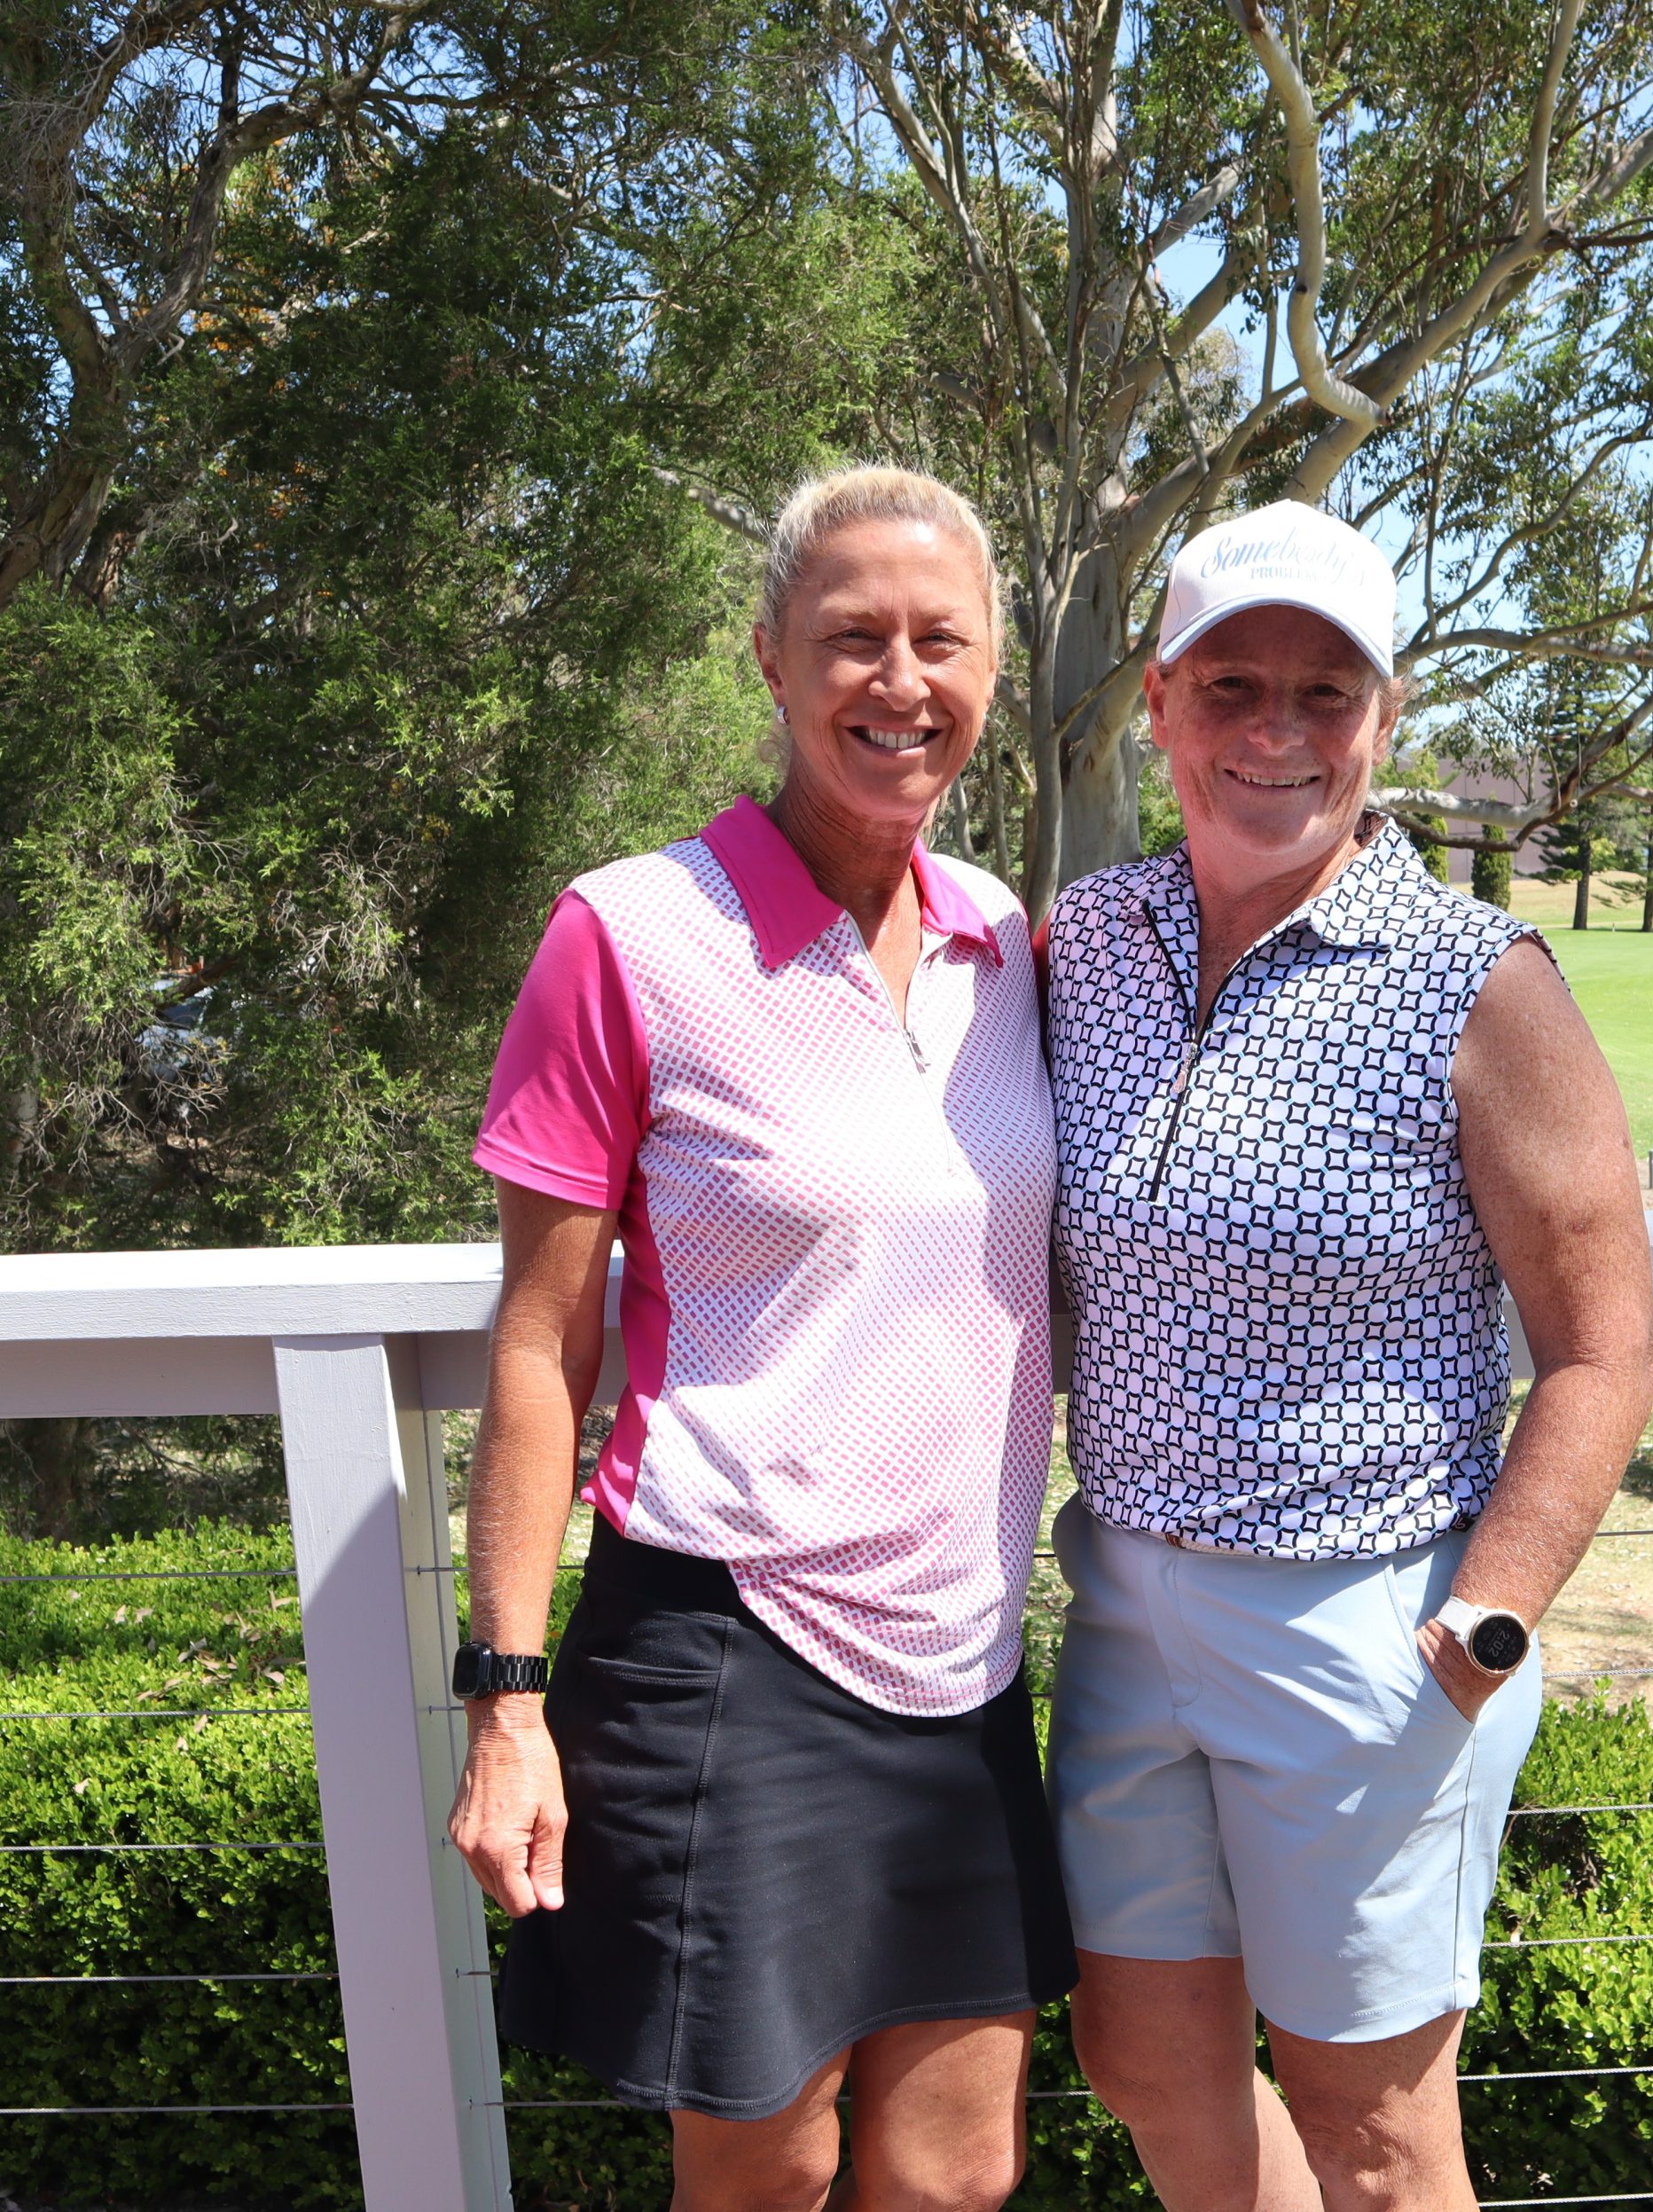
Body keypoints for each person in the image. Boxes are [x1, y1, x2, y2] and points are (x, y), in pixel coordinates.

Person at [447, 466, 1074, 2212]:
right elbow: (536, 1342)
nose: (897, 680)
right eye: (848, 637)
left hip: (960, 1665)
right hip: (732, 1642)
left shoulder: (1001, 943)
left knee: (954, 2173)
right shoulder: (629, 934)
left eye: (936, 639)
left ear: (991, 665)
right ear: (771, 660)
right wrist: (504, 1701)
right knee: (764, 2172)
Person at [1044, 501, 1653, 2212]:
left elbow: (1605, 1346)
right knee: (1147, 2056)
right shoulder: (1089, 942)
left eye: (1329, 692)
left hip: (1362, 1624)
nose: (1278, 730)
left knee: (1379, 2140)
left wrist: (1480, 1628)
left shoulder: (1481, 979)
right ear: (1160, 703)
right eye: (1234, 682)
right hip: (1121, 1600)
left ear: (1383, 721)